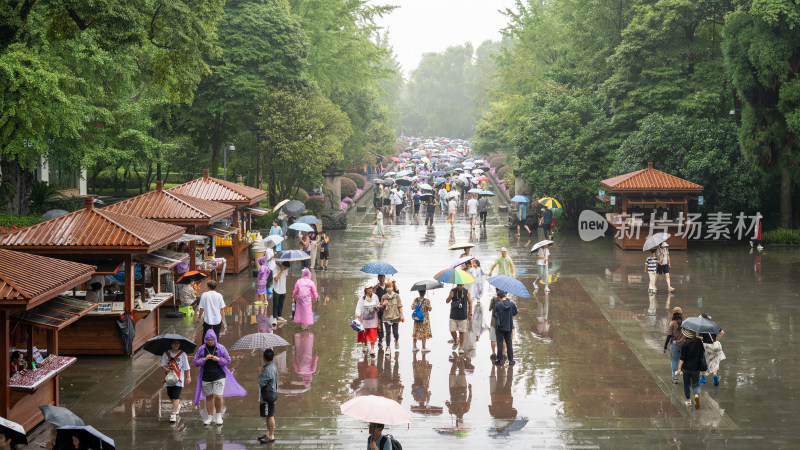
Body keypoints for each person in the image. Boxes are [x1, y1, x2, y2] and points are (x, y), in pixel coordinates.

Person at [194, 329, 247, 425]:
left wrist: (218, 359)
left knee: (218, 396)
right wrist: (204, 359)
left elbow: (228, 360)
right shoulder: (202, 349)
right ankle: (210, 417)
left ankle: (218, 415)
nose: (210, 342)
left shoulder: (221, 348)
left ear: (215, 339)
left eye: (212, 340)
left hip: (219, 375)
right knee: (209, 397)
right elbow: (195, 362)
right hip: (206, 376)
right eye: (208, 340)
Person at [161, 339, 191, 423]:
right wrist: (165, 368)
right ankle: (177, 405)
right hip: (169, 378)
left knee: (176, 395)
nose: (176, 345)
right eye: (174, 343)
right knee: (170, 394)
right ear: (170, 344)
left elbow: (187, 367)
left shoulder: (183, 354)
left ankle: (173, 414)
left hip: (179, 379)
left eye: (177, 343)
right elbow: (162, 364)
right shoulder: (166, 353)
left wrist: (188, 377)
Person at [676, 328, 706, 409]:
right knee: (696, 384)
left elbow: (682, 358)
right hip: (696, 367)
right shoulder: (699, 342)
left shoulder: (685, 344)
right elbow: (703, 351)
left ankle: (688, 401)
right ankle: (696, 396)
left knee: (687, 384)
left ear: (686, 335)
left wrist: (679, 369)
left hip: (686, 368)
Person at [257, 348, 278, 444]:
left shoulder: (268, 369)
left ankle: (271, 435)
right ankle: (268, 433)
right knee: (268, 415)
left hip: (267, 396)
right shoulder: (272, 366)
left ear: (264, 358)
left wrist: (260, 373)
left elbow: (261, 383)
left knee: (270, 415)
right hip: (271, 393)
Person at [699, 313, 725, 386]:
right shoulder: (714, 324)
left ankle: (703, 378)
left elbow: (701, 338)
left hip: (706, 346)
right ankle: (714, 374)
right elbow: (722, 333)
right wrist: (716, 339)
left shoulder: (702, 327)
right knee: (715, 361)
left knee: (705, 361)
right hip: (714, 345)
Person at [493, 290, 518, 366]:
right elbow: (515, 312)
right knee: (509, 343)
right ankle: (511, 360)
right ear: (505, 296)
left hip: (500, 327)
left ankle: (499, 360)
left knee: (500, 343)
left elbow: (495, 314)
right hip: (509, 326)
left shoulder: (497, 305)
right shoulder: (511, 304)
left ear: (498, 297)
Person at [446, 283, 472, 354]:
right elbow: (447, 301)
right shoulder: (452, 291)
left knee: (462, 332)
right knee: (452, 330)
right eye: (458, 285)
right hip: (453, 315)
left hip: (463, 315)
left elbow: (470, 302)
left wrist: (470, 314)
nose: (459, 286)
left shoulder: (467, 292)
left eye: (461, 285)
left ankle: (461, 347)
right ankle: (456, 341)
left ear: (463, 285)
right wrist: (450, 297)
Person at [356, 286, 381, 356]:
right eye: (368, 289)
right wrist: (357, 316)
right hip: (364, 319)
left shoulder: (375, 297)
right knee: (365, 332)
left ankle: (372, 348)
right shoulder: (362, 298)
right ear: (365, 290)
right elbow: (358, 307)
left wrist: (377, 308)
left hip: (373, 319)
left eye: (371, 288)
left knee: (373, 333)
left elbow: (378, 304)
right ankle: (366, 345)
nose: (370, 290)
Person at [663, 307, 685, 384]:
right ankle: (680, 372)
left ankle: (675, 378)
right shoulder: (685, 323)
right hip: (683, 345)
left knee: (674, 361)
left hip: (674, 345)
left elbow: (669, 335)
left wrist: (665, 346)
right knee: (680, 360)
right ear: (681, 314)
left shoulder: (672, 323)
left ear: (673, 314)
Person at [380, 281, 403, 351]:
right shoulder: (384, 297)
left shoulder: (396, 296)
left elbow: (400, 306)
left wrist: (402, 315)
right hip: (387, 317)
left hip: (395, 317)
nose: (389, 289)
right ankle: (388, 347)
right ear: (386, 289)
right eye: (387, 287)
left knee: (395, 333)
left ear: (392, 287)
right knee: (388, 332)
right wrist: (384, 304)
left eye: (390, 287)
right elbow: (381, 307)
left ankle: (396, 340)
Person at [272, 262, 290, 326]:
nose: (286, 269)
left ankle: (279, 316)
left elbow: (285, 277)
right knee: (275, 304)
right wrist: (281, 271)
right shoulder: (275, 269)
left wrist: (289, 275)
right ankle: (274, 318)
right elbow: (276, 278)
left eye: (287, 268)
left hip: (283, 289)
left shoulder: (285, 270)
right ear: (283, 265)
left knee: (281, 304)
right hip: (276, 289)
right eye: (285, 267)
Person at [373, 275, 388, 348]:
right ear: (378, 278)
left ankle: (388, 340)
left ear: (385, 278)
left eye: (383, 277)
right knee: (379, 324)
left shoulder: (388, 287)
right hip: (379, 309)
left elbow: (396, 293)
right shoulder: (376, 288)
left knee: (387, 324)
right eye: (380, 277)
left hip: (387, 309)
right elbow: (371, 297)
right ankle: (380, 339)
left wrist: (394, 284)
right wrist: (374, 290)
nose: (381, 279)